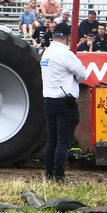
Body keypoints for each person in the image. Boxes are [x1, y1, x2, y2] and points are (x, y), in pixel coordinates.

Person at [40, 22, 88, 183]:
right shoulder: (66, 54)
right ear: (69, 37)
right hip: (64, 102)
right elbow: (82, 74)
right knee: (63, 142)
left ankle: (49, 174)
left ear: (54, 35)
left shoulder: (46, 53)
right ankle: (59, 175)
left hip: (49, 101)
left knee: (51, 141)